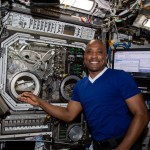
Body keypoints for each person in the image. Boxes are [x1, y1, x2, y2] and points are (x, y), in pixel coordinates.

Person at [18, 39, 149, 150]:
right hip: (98, 145)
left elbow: (142, 115)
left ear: (105, 57)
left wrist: (123, 148)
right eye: (89, 52)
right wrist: (40, 101)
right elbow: (68, 115)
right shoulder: (81, 85)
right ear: (85, 57)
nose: (94, 56)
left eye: (99, 52)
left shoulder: (120, 77)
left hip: (124, 143)